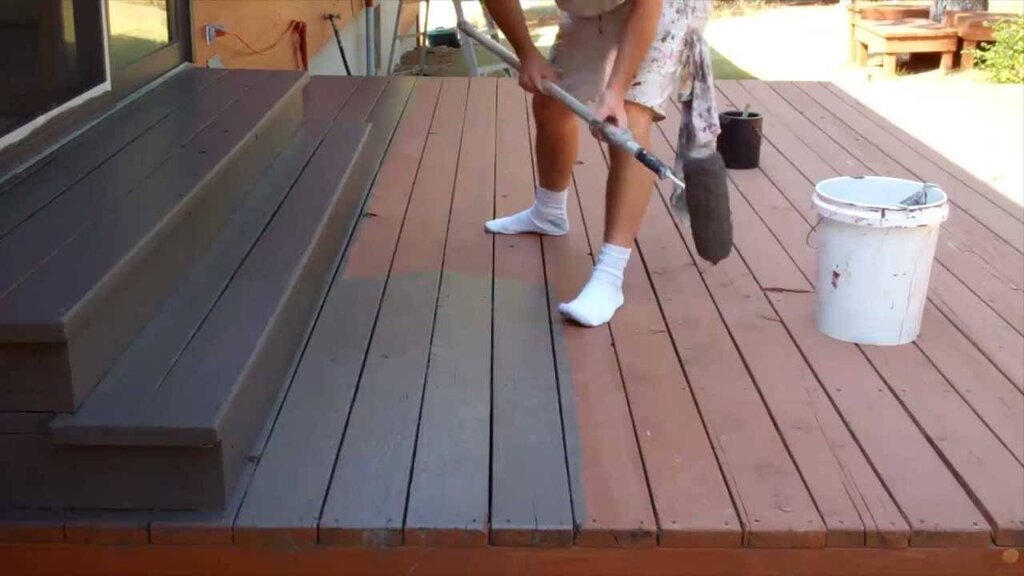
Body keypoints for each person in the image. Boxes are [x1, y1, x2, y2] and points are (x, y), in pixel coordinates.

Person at [482, 0, 720, 327]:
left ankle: (610, 275)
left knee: (628, 117)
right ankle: (549, 212)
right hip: (590, 8)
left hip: (662, 7)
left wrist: (616, 91)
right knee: (551, 99)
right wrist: (527, 52)